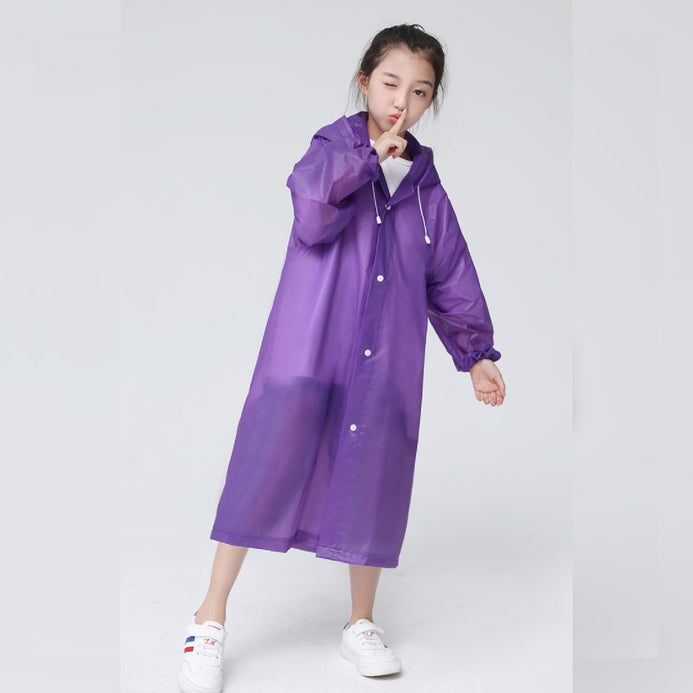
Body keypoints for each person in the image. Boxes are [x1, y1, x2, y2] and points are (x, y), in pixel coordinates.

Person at [178, 23, 506, 693]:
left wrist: (475, 353)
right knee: (264, 465)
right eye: (390, 83)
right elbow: (312, 214)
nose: (402, 102)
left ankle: (360, 621)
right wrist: (367, 159)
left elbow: (448, 274)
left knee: (373, 475)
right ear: (364, 81)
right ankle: (208, 617)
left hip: (384, 361)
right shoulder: (331, 149)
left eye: (420, 92)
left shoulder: (425, 189)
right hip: (309, 349)